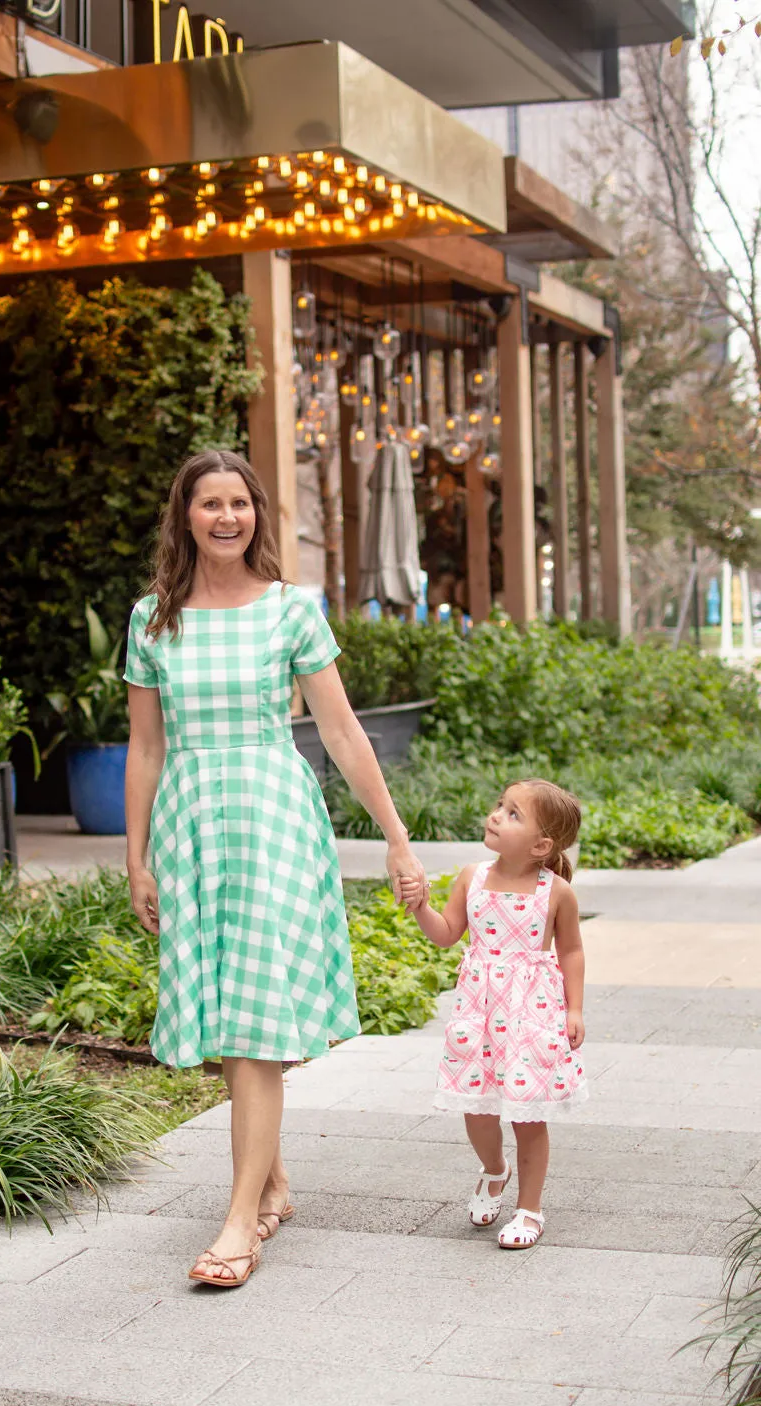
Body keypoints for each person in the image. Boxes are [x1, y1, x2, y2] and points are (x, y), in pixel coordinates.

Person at [124, 449, 427, 1288]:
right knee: (229, 1012)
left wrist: (397, 838)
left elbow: (341, 733)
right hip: (191, 824)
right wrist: (136, 857)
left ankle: (236, 1224)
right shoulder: (154, 618)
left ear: (258, 514)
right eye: (209, 504)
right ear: (184, 517)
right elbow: (145, 747)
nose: (227, 518)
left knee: (254, 1020)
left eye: (240, 504)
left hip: (272, 819)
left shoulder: (291, 612)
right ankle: (272, 1180)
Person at [407, 779, 587, 1250]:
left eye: (512, 814)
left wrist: (575, 1009)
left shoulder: (557, 892)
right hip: (479, 1012)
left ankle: (530, 1209)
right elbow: (447, 934)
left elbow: (571, 952)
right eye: (499, 807)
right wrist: (420, 906)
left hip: (532, 1014)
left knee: (528, 1116)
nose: (495, 815)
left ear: (541, 844)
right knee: (477, 1108)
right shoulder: (473, 877)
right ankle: (494, 1170)